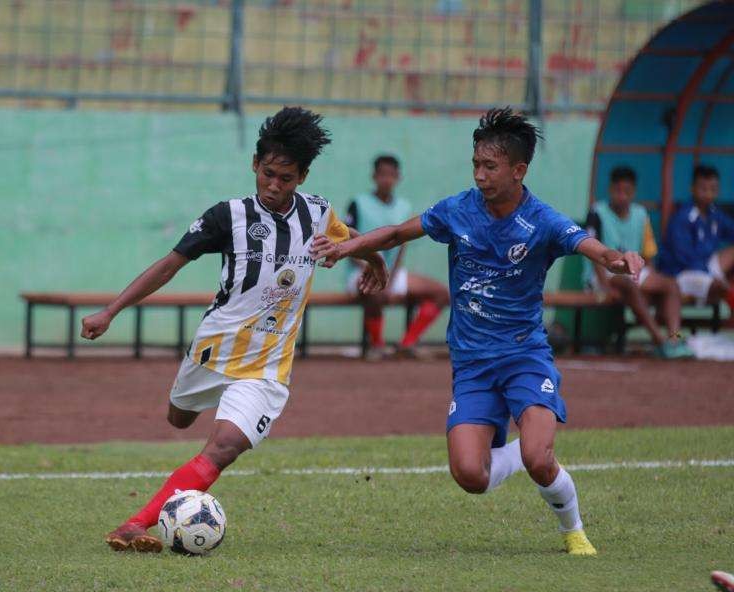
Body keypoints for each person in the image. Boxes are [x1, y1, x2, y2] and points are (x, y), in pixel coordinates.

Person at [313, 107, 648, 556]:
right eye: (476, 164)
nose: (480, 174)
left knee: (538, 459)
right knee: (471, 475)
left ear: (518, 169)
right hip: (471, 363)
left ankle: (574, 529)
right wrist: (345, 247)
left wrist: (617, 259)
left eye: (490, 166)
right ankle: (518, 450)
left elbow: (589, 247)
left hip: (524, 355)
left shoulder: (542, 220)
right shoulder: (458, 210)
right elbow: (395, 233)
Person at [81, 107, 387, 552]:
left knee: (223, 447)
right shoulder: (228, 217)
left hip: (266, 368)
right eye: (267, 174)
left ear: (301, 176)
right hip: (212, 350)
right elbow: (170, 265)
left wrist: (372, 257)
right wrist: (110, 311)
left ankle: (135, 524)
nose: (274, 186)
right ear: (254, 166)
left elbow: (349, 235)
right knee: (178, 418)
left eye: (285, 177)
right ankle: (199, 405)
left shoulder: (318, 214)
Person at [583, 166, 693, 358]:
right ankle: (659, 341)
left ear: (634, 192)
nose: (622, 196)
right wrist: (603, 285)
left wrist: (650, 278)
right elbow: (592, 254)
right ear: (610, 189)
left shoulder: (641, 214)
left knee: (670, 285)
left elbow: (647, 254)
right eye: (618, 191)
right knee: (628, 285)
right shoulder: (597, 212)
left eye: (627, 191)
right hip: (603, 273)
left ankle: (674, 339)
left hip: (632, 271)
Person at [345, 155, 449, 358]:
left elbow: (402, 246)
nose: (387, 179)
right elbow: (347, 244)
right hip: (361, 271)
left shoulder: (403, 206)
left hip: (392, 272)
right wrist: (374, 270)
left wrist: (390, 276)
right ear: (374, 176)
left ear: (398, 177)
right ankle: (377, 346)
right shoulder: (358, 204)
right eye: (382, 174)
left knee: (442, 294)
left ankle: (407, 343)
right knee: (373, 291)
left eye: (391, 175)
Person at [656, 165, 734, 316]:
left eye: (713, 189)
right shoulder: (682, 217)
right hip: (681, 273)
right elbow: (684, 258)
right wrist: (712, 275)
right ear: (693, 188)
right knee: (722, 288)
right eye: (703, 188)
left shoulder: (714, 213)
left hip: (705, 267)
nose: (708, 194)